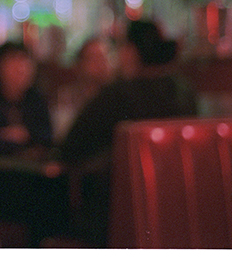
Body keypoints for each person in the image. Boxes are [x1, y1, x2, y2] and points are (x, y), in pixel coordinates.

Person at [59, 19, 197, 246]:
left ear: (131, 52)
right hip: (178, 205)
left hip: (119, 215)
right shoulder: (185, 91)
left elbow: (71, 146)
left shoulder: (119, 94)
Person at [0, 41, 53, 156]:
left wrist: (17, 135)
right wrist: (23, 139)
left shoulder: (36, 99)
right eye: (14, 64)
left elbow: (46, 138)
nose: (21, 69)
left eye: (25, 64)